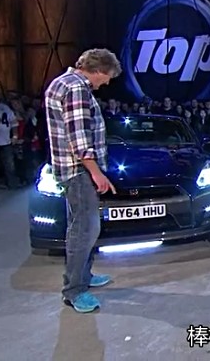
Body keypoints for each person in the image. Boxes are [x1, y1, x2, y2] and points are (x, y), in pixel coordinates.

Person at [44, 48, 122, 313]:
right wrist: (96, 173)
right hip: (78, 171)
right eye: (107, 77)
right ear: (98, 70)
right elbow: (79, 139)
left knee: (80, 227)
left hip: (72, 170)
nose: (107, 83)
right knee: (85, 230)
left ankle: (83, 276)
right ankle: (74, 290)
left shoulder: (62, 83)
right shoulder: (76, 88)